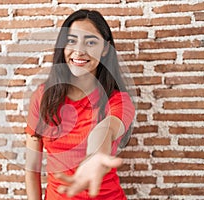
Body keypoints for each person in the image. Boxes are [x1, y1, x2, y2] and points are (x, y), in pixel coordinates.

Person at [25, 9, 135, 200]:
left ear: (105, 48)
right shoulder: (43, 97)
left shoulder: (118, 100)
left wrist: (94, 156)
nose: (79, 50)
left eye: (91, 42)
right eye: (71, 40)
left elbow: (105, 129)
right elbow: (32, 170)